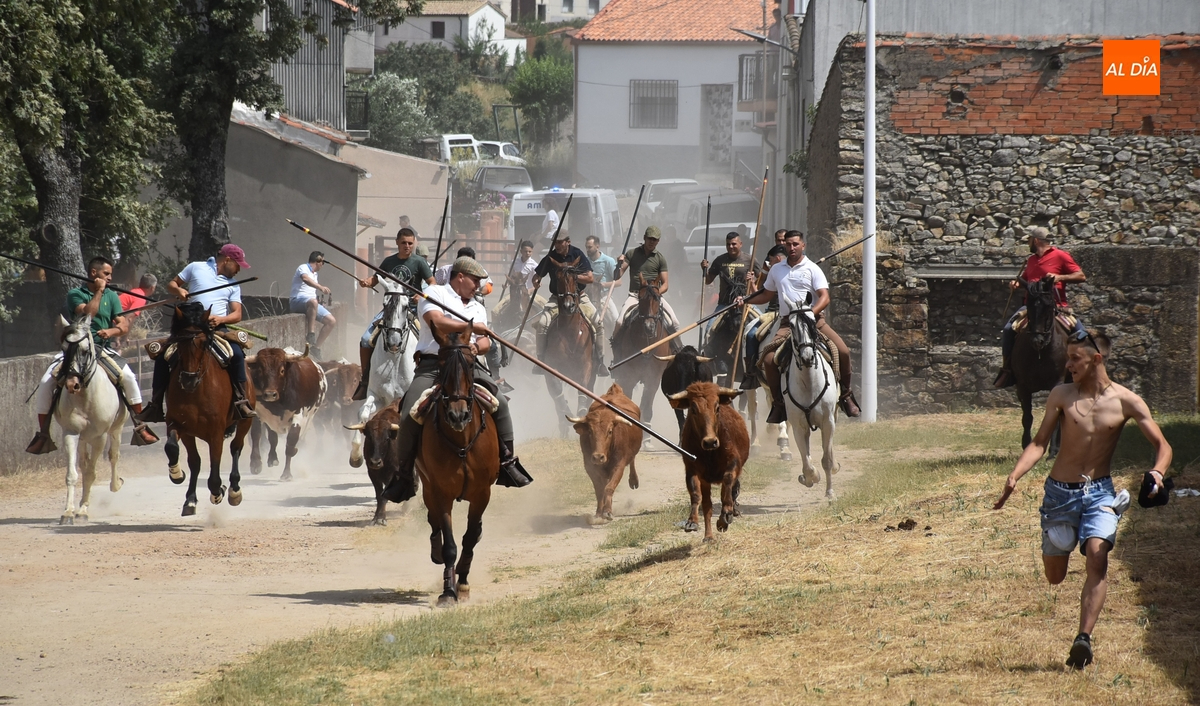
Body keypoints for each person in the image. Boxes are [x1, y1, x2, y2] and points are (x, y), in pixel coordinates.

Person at [994, 330, 1172, 669]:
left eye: (1075, 358)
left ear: (1097, 359)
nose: (1068, 363)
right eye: (1068, 357)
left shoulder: (1126, 401)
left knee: (1097, 554)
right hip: (1060, 495)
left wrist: (1158, 473)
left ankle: (1083, 639)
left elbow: (1163, 446)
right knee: (1055, 577)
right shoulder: (1062, 395)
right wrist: (1015, 475)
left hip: (1100, 492)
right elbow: (1039, 443)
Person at [381, 257, 531, 502]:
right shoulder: (434, 293)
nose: (478, 286)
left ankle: (507, 462)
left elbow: (486, 341)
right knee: (409, 412)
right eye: (475, 280)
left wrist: (477, 347)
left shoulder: (477, 305)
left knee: (501, 403)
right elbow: (436, 322)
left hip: (468, 365)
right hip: (434, 364)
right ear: (460, 276)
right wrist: (470, 328)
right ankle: (404, 475)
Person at [27, 256, 160, 453]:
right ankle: (43, 433)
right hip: (76, 348)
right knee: (47, 381)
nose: (109, 278)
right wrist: (98, 291)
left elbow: (123, 325)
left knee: (129, 377)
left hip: (101, 349)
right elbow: (88, 314)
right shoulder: (75, 294)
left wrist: (112, 331)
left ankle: (140, 425)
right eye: (106, 274)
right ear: (93, 273)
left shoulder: (112, 296)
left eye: (111, 275)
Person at [735, 230, 860, 421]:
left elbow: (825, 297)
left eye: (795, 244)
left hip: (815, 321)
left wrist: (810, 313)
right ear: (784, 246)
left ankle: (846, 395)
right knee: (768, 359)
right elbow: (766, 295)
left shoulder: (812, 269)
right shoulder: (777, 270)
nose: (792, 248)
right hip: (787, 323)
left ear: (803, 246)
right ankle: (778, 404)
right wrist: (746, 299)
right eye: (788, 244)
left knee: (843, 351)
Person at [138, 244, 256, 422]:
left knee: (238, 355)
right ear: (228, 260)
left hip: (216, 329)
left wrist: (221, 319)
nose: (239, 269)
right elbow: (172, 284)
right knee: (162, 357)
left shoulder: (234, 285)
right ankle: (155, 405)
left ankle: (241, 401)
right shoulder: (195, 267)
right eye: (238, 264)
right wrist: (179, 290)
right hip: (189, 328)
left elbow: (237, 314)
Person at [994, 227, 1087, 388]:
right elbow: (1025, 280)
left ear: (1035, 240)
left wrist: (1060, 277)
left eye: (1029, 240)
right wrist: (1017, 284)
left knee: (1082, 334)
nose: (1028, 243)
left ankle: (1084, 372)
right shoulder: (1030, 260)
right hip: (1030, 306)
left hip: (1056, 306)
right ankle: (1007, 369)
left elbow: (1081, 276)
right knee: (1009, 329)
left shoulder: (1061, 256)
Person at [352, 227, 436, 400]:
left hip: (412, 308)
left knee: (430, 341)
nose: (407, 246)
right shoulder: (389, 262)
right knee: (366, 339)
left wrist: (421, 295)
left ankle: (431, 380)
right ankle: (366, 380)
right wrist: (367, 282)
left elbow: (433, 283)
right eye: (404, 243)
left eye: (410, 243)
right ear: (397, 242)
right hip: (390, 309)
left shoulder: (419, 262)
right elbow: (376, 278)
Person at [531, 235, 601, 369]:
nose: (556, 245)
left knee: (598, 323)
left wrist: (572, 277)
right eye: (555, 242)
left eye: (559, 242)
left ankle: (599, 359)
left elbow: (590, 278)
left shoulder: (577, 254)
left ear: (568, 242)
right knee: (542, 323)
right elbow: (537, 276)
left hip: (579, 297)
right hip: (557, 298)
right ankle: (540, 360)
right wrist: (536, 281)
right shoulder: (550, 257)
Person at [613, 226, 681, 333]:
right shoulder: (631, 253)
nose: (651, 242)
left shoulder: (660, 258)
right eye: (650, 238)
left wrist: (655, 293)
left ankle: (678, 349)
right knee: (619, 322)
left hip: (654, 297)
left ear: (658, 241)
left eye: (655, 240)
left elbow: (665, 284)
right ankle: (615, 346)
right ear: (644, 237)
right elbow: (617, 276)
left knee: (675, 322)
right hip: (635, 296)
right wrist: (618, 264)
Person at [740, 244, 787, 389]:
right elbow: (762, 293)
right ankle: (751, 373)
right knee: (751, 334)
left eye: (771, 260)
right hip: (772, 312)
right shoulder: (771, 271)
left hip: (795, 313)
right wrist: (750, 287)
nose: (769, 263)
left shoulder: (802, 268)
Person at [701, 231, 755, 332]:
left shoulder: (750, 260)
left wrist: (752, 282)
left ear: (740, 244)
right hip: (725, 304)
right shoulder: (719, 260)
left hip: (746, 303)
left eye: (734, 244)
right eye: (728, 244)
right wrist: (704, 270)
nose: (731, 246)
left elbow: (760, 280)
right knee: (709, 329)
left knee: (759, 327)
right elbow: (708, 281)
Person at [290, 251, 336, 358]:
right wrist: (320, 287)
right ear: (318, 261)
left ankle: (316, 348)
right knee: (313, 302)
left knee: (331, 321)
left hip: (311, 304)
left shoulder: (315, 274)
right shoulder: (303, 268)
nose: (323, 265)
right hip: (297, 301)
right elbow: (305, 279)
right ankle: (311, 334)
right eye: (322, 262)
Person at [585, 235, 619, 329]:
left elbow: (619, 282)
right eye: (586, 247)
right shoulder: (585, 261)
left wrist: (603, 284)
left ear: (597, 246)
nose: (587, 250)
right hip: (587, 297)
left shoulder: (608, 261)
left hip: (604, 297)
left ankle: (615, 341)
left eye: (590, 247)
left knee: (616, 320)